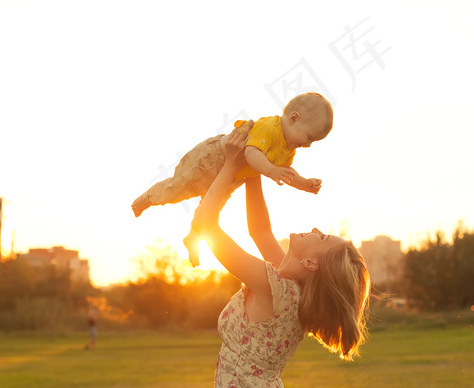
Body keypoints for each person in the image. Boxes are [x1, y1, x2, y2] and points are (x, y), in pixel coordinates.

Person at [191, 122, 371, 388]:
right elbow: (259, 230)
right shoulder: (293, 289)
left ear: (311, 265)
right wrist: (255, 159)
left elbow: (207, 225)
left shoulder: (273, 287)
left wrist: (232, 165)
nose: (316, 228)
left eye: (322, 238)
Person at [131, 92, 333, 267]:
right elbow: (251, 153)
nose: (308, 145)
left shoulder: (288, 149)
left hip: (234, 177)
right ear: (293, 118)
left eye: (313, 141)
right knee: (178, 188)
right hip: (213, 158)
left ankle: (193, 237)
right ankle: (148, 198)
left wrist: (303, 183)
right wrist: (270, 170)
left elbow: (287, 171)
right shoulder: (270, 128)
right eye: (309, 137)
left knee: (211, 211)